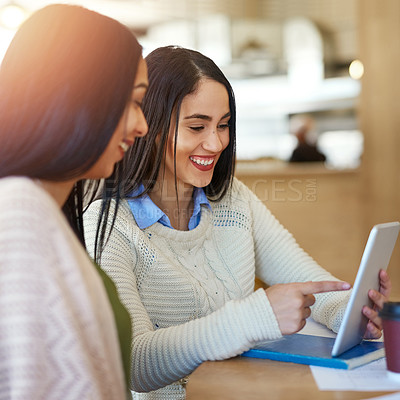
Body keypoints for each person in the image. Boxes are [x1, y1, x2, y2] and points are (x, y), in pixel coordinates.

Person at [83, 46, 391, 399]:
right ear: (149, 126)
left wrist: (351, 315)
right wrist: (256, 316)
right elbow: (136, 363)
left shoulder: (233, 199)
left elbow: (307, 281)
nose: (215, 143)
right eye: (197, 126)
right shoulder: (108, 226)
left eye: (224, 125)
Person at [0, 4, 148, 399]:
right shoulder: (17, 216)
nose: (142, 125)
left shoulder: (45, 212)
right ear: (77, 97)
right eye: (133, 102)